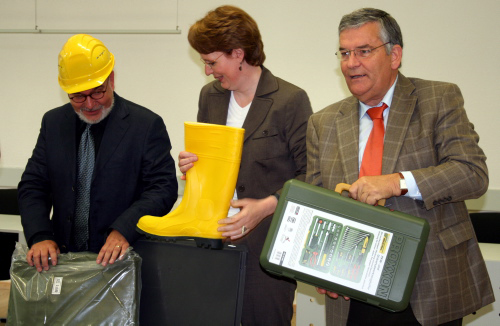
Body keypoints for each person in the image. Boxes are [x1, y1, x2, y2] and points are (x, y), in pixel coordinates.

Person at [306, 8, 494, 326]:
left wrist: (397, 182)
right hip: (353, 289)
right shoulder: (323, 123)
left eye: (364, 51)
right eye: (345, 53)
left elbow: (472, 173)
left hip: (428, 284)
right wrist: (319, 264)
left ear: (395, 55)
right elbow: (317, 206)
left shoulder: (438, 99)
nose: (351, 63)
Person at [179, 5, 313, 325]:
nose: (208, 71)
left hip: (266, 251)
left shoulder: (289, 101)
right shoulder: (209, 97)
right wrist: (191, 167)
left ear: (238, 53)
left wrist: (265, 207)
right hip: (212, 246)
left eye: (212, 62)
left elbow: (311, 176)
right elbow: (211, 170)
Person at [18, 34, 178, 272]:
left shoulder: (145, 125)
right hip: (63, 262)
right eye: (78, 96)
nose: (89, 104)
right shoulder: (53, 122)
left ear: (111, 79)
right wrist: (40, 235)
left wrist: (124, 228)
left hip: (121, 262)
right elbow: (33, 185)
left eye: (97, 92)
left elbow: (163, 188)